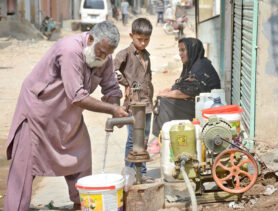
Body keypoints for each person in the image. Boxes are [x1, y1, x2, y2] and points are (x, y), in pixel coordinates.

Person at [4, 21, 129, 211]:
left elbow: (111, 87)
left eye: (107, 54)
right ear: (91, 39)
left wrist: (116, 107)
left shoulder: (105, 58)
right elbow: (76, 95)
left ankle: (82, 204)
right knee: (24, 171)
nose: (103, 57)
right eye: (101, 52)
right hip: (38, 114)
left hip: (68, 117)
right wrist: (111, 110)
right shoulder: (70, 50)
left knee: (81, 157)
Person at [152, 38, 221, 137]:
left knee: (163, 102)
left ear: (192, 50)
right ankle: (163, 136)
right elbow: (182, 84)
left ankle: (164, 137)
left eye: (183, 50)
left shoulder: (201, 66)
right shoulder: (191, 65)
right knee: (163, 99)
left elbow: (189, 91)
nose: (180, 54)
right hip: (196, 103)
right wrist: (167, 90)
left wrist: (165, 94)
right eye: (179, 50)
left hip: (206, 108)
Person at [114, 18, 154, 183]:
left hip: (147, 105)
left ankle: (142, 174)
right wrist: (126, 83)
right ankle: (129, 175)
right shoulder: (125, 54)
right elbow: (112, 71)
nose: (143, 43)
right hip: (134, 105)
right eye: (140, 39)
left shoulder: (146, 55)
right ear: (132, 35)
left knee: (143, 140)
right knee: (133, 141)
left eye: (146, 39)